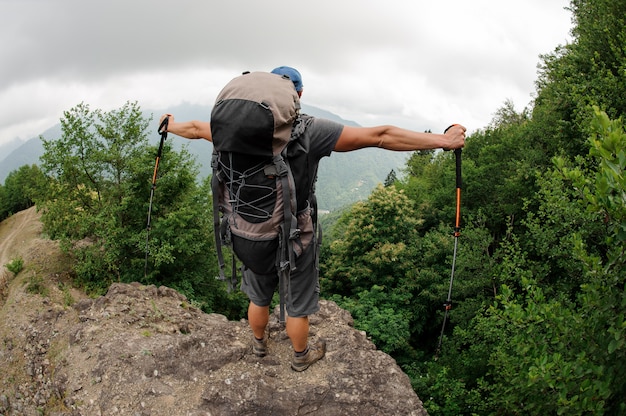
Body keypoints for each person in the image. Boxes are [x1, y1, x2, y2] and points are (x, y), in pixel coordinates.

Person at [160, 66, 466, 371]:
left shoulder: (234, 133)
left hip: (246, 232)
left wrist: (170, 125)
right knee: (297, 303)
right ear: (299, 96)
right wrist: (444, 140)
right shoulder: (310, 131)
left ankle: (259, 345)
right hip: (293, 239)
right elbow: (380, 136)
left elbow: (197, 129)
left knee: (258, 295)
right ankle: (300, 356)